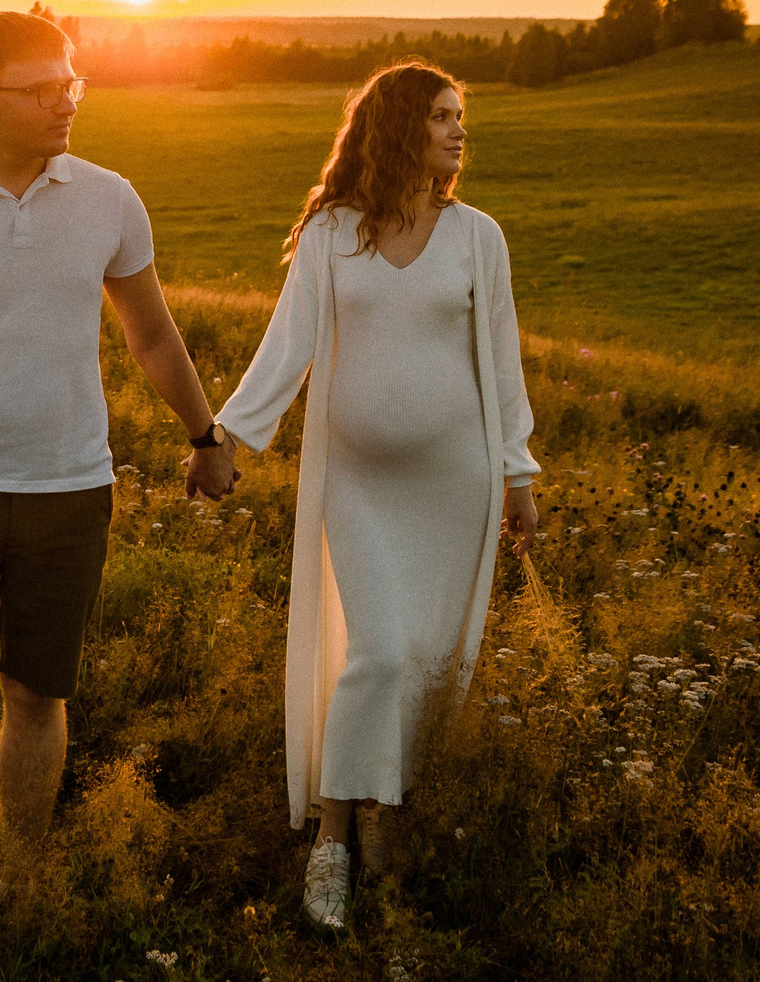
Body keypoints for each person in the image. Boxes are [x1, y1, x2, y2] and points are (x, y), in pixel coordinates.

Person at [0, 8, 235, 855]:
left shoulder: (109, 198)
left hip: (68, 492)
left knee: (37, 695)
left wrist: (206, 436)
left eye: (73, 82)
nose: (69, 102)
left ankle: (21, 883)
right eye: (45, 89)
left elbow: (153, 334)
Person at [208, 60, 541, 933]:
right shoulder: (333, 235)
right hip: (356, 484)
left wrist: (519, 473)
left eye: (461, 116)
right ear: (399, 127)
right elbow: (288, 347)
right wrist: (227, 438)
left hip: (453, 488)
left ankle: (384, 827)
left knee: (425, 667)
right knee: (379, 653)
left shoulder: (479, 237)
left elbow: (502, 366)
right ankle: (332, 837)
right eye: (441, 115)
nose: (458, 131)